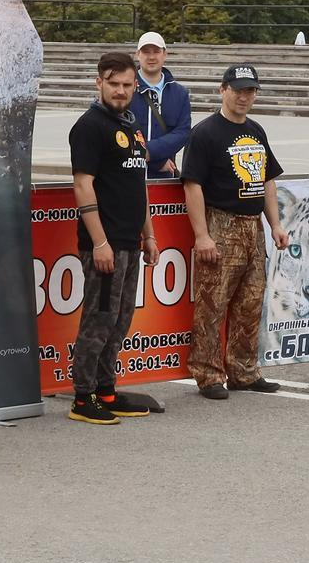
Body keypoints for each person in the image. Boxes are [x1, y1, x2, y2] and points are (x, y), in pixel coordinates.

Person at [180, 64, 288, 401]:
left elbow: (267, 180)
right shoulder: (205, 133)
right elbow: (192, 186)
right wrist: (202, 235)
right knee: (212, 304)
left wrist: (275, 224)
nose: (244, 96)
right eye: (238, 89)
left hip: (252, 227)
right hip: (221, 223)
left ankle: (243, 370)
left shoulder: (256, 131)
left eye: (250, 90)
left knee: (251, 302)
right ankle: (209, 373)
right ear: (222, 90)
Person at [67, 50, 156, 424]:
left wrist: (148, 235)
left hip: (129, 242)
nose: (120, 91)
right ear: (98, 83)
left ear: (135, 86)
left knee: (120, 320)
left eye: (127, 85)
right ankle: (83, 397)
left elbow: (139, 185)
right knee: (98, 319)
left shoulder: (131, 127)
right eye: (113, 84)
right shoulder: (89, 127)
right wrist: (100, 243)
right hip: (104, 245)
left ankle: (106, 389)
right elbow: (83, 186)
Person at [128, 31, 192, 178]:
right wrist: (156, 162)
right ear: (138, 54)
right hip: (128, 173)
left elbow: (182, 132)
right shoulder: (125, 88)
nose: (151, 57)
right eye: (146, 52)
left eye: (156, 51)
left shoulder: (180, 93)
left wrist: (150, 152)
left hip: (164, 175)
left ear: (165, 54)